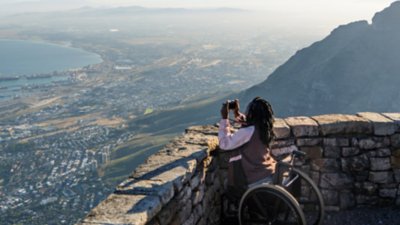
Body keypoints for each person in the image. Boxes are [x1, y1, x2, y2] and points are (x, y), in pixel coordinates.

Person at [218, 97, 276, 197]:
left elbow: (224, 143)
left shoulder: (248, 132)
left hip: (255, 178)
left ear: (252, 114)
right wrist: (236, 113)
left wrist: (224, 118)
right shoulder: (265, 128)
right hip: (269, 172)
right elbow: (248, 124)